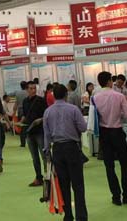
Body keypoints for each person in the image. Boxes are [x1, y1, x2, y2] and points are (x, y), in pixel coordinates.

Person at [92, 71, 127, 205]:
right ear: (109, 81)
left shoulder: (95, 98)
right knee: (125, 164)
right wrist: (119, 115)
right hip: (117, 132)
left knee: (109, 166)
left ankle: (116, 197)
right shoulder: (119, 96)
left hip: (104, 134)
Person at [43, 83, 88, 221]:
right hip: (72, 147)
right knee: (78, 184)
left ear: (54, 96)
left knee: (63, 184)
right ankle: (81, 216)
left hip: (57, 149)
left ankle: (68, 215)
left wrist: (47, 152)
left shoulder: (48, 112)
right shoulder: (73, 109)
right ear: (66, 95)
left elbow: (47, 135)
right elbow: (83, 128)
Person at [23, 80, 48, 186]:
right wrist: (21, 121)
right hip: (29, 132)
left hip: (40, 132)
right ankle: (38, 177)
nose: (33, 90)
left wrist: (40, 120)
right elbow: (25, 115)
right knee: (34, 157)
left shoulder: (41, 100)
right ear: (26, 90)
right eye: (31, 88)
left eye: (34, 88)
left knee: (44, 156)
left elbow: (47, 115)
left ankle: (48, 177)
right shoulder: (25, 101)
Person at [16, 81, 29, 147]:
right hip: (27, 111)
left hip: (20, 111)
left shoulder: (17, 93)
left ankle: (22, 143)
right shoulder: (28, 92)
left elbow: (16, 103)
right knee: (28, 126)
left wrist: (14, 111)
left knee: (22, 127)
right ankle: (30, 141)